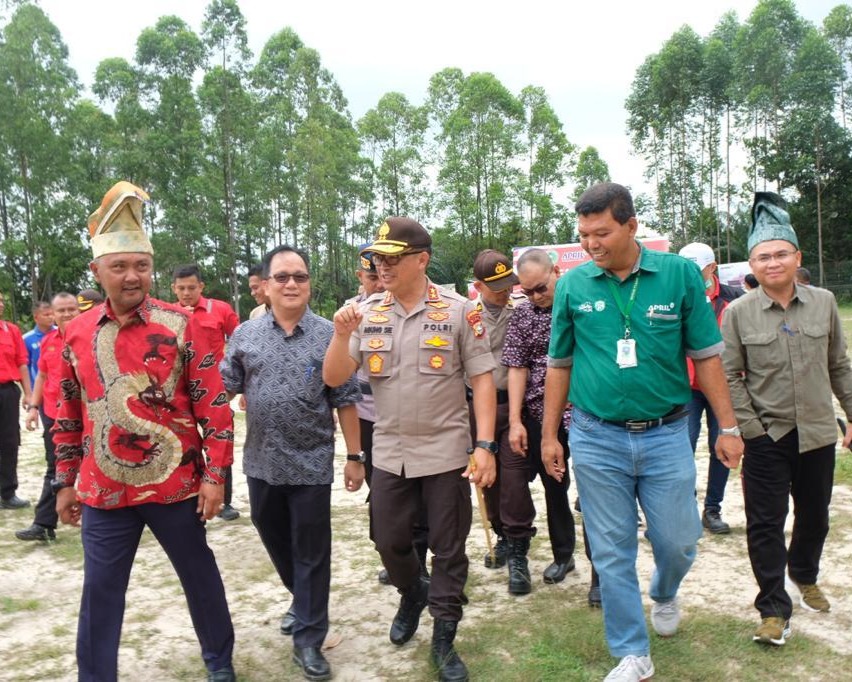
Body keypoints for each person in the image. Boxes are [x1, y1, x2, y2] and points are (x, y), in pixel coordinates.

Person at [541, 183, 743, 682]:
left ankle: (665, 590)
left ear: (632, 226)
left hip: (667, 433)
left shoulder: (677, 276)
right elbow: (560, 365)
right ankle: (632, 652)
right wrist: (551, 434)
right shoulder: (573, 285)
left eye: (601, 233)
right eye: (584, 234)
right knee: (611, 549)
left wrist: (729, 425)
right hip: (595, 435)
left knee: (678, 541)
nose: (591, 244)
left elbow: (706, 356)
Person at [52, 181, 237, 682]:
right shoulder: (74, 333)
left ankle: (220, 662)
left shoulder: (182, 325)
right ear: (97, 271)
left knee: (199, 575)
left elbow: (215, 408)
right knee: (100, 591)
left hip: (176, 485)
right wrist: (65, 481)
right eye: (119, 266)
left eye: (141, 265)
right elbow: (68, 415)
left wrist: (215, 476)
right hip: (103, 490)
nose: (132, 276)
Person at [323, 217, 497, 682]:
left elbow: (482, 379)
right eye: (378, 258)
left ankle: (443, 636)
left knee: (448, 547)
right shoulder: (366, 312)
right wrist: (341, 335)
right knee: (388, 540)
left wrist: (484, 445)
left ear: (422, 260)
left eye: (392, 259)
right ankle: (412, 592)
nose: (382, 266)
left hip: (445, 450)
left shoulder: (461, 311)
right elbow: (335, 378)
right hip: (390, 450)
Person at [220, 244, 362, 681]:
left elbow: (346, 400)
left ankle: (309, 639)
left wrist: (355, 457)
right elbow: (221, 388)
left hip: (312, 463)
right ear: (264, 286)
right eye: (282, 277)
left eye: (299, 276)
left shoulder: (329, 335)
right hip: (261, 463)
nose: (291, 284)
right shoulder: (245, 335)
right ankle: (302, 600)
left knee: (313, 553)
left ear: (309, 284)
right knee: (276, 540)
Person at [721, 192, 852, 647]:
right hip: (767, 436)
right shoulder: (737, 312)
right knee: (764, 523)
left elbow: (839, 364)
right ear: (751, 265)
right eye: (763, 257)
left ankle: (804, 572)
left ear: (797, 257)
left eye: (780, 254)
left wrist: (851, 413)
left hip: (817, 431)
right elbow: (729, 376)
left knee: (815, 517)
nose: (772, 263)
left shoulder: (824, 302)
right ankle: (774, 609)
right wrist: (750, 430)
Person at [345, 245, 429, 585]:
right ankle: (398, 556)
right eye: (372, 276)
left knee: (418, 495)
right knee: (382, 494)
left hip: (411, 418)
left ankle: (417, 562)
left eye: (383, 275)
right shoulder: (354, 314)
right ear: (361, 277)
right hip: (369, 419)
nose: (380, 283)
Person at [501, 249, 579, 593]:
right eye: (527, 291)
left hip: (583, 414)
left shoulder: (581, 306)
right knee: (554, 486)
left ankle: (602, 571)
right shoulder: (522, 316)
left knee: (594, 492)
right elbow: (517, 368)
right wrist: (516, 420)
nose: (535, 296)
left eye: (540, 288)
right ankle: (564, 554)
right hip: (538, 413)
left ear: (557, 272)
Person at [678, 242, 743, 534]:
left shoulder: (735, 300)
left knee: (723, 447)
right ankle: (684, 509)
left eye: (696, 268)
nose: (690, 274)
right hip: (686, 389)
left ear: (712, 267)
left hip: (724, 388)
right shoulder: (676, 297)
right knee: (681, 450)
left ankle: (712, 509)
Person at [172, 264, 241, 521]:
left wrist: (237, 385)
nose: (187, 293)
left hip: (216, 388)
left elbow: (240, 341)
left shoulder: (220, 310)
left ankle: (225, 501)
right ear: (174, 289)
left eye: (192, 287)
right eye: (181, 288)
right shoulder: (168, 315)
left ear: (201, 287)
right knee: (183, 444)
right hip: (179, 391)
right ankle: (185, 495)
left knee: (220, 441)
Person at [469, 249, 522, 583]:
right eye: (497, 286)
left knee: (514, 481)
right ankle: (501, 537)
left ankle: (518, 545)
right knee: (489, 480)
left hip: (513, 406)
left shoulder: (519, 311)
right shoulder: (465, 317)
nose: (505, 291)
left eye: (508, 284)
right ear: (478, 286)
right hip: (477, 408)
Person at [16, 292, 79, 541]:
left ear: (78, 310)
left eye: (71, 309)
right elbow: (41, 376)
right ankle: (43, 524)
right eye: (60, 310)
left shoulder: (91, 335)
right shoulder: (48, 341)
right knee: (56, 467)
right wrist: (33, 407)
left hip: (88, 414)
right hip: (56, 415)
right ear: (52, 314)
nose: (66, 314)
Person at [0, 291, 32, 510]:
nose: (0, 304)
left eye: (1, 301)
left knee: (10, 442)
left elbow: (22, 363)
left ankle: (7, 492)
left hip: (8, 391)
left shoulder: (11, 330)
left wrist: (29, 394)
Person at [22, 301, 54, 386]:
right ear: (36, 318)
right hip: (38, 388)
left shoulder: (61, 333)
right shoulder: (26, 339)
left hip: (62, 389)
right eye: (46, 315)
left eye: (52, 314)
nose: (51, 317)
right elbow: (25, 367)